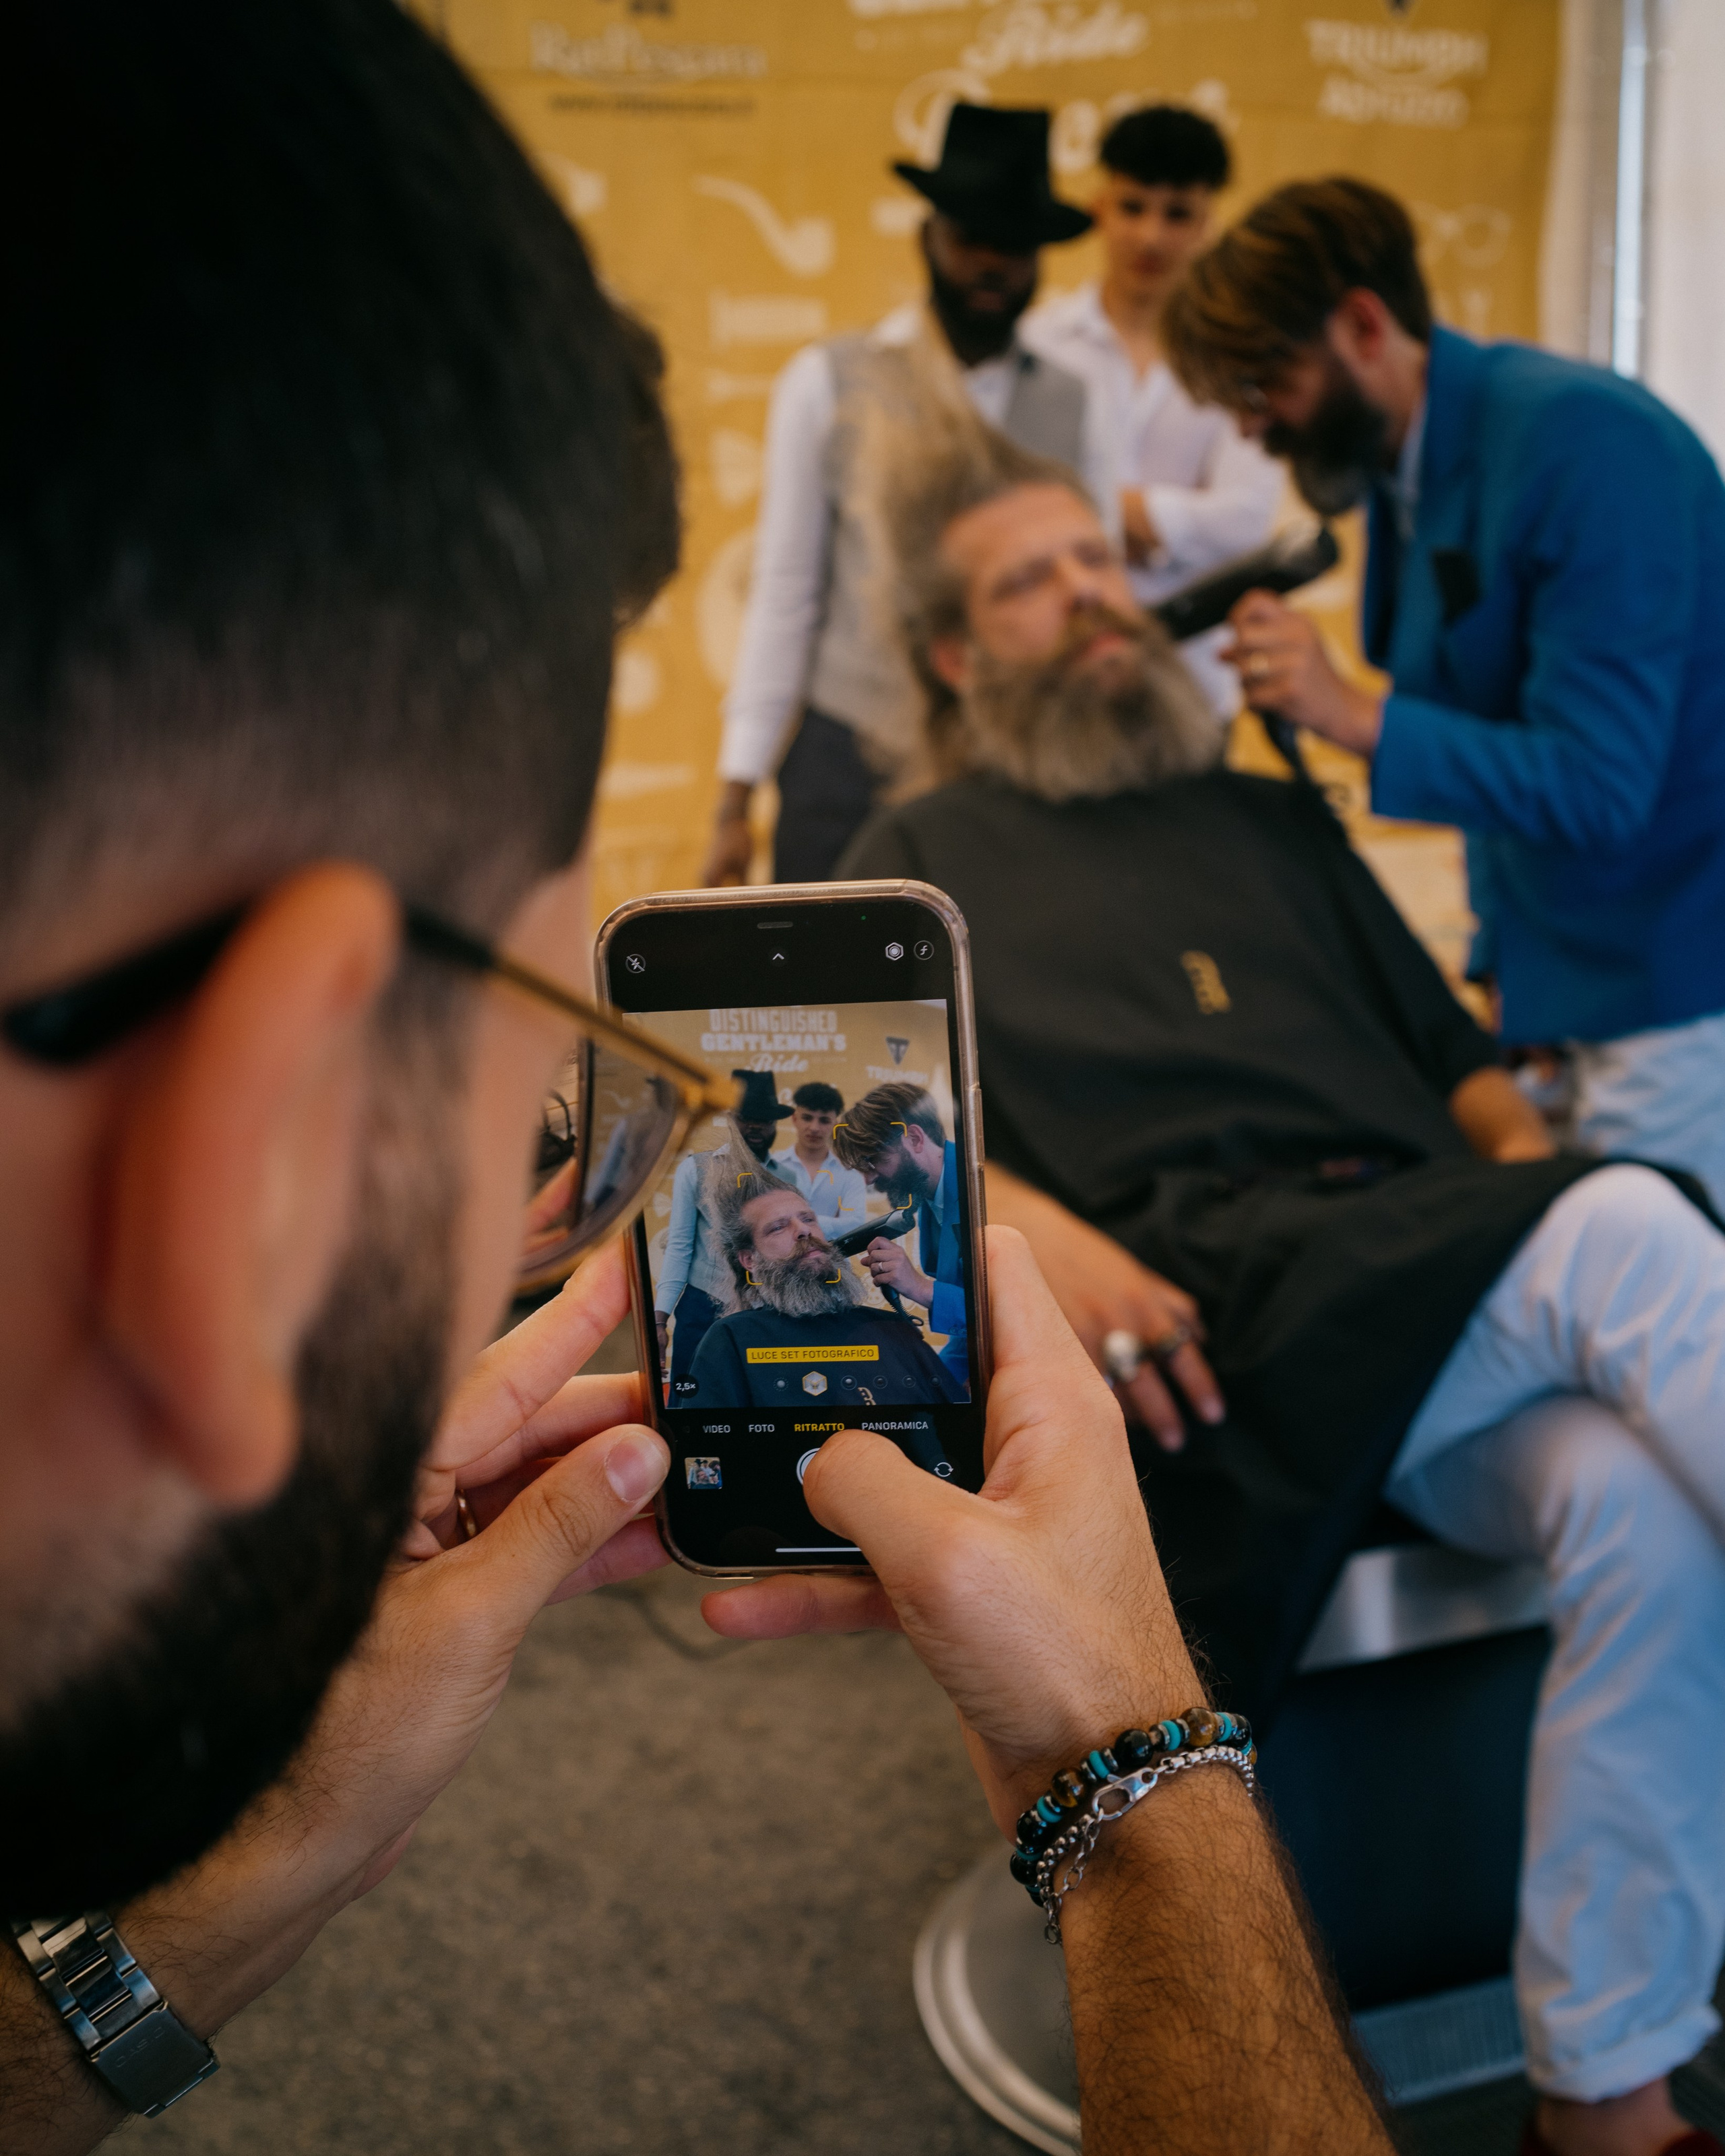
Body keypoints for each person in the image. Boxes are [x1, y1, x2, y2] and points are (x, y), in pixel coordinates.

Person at [0, 9, 1406, 2152]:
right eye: (556, 1124)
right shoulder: (849, 401)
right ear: (253, 1176)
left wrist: (189, 1921)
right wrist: (1133, 1775)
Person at [839, 435, 1725, 2156]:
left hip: (1417, 1269)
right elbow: (873, 1140)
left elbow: (1456, 1059)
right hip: (1212, 1308)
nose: (1087, 595)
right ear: (953, 655)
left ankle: (1604, 2091)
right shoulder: (916, 850)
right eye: (1027, 581)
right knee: (1623, 1230)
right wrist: (1033, 1231)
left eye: (1095, 560)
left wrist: (1513, 1162)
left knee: (1635, 1507)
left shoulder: (1260, 805)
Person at [1162, 177, 1725, 1214]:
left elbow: (1600, 785)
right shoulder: (1409, 468)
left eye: (1264, 384)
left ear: (1363, 326)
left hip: (1676, 992)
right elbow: (1492, 728)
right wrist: (1507, 965)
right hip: (1565, 989)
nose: (1253, 429)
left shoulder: (1587, 445)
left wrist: (1352, 714)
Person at [701, 102, 1092, 888]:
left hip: (1018, 765)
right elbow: (786, 594)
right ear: (927, 237)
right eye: (970, 237)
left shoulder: (1078, 403)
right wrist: (734, 799)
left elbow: (1091, 593)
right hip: (847, 761)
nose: (991, 264)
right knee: (827, 963)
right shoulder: (830, 381)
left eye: (1013, 246)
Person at [1023, 104, 1281, 716]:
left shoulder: (1241, 360)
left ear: (1209, 223)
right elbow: (1013, 509)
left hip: (1193, 684)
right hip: (1052, 681)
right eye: (1133, 207)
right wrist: (1165, 524)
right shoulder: (1037, 345)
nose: (1151, 237)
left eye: (1178, 214)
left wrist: (1091, 516)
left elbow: (1246, 522)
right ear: (1099, 208)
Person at [687, 1168, 964, 1424]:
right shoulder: (732, 1338)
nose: (803, 1230)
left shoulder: (889, 1327)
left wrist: (920, 1288)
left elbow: (954, 1426)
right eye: (779, 1227)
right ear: (749, 1260)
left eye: (808, 1219)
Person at [655, 1069, 791, 1389]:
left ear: (775, 1124)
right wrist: (660, 1319)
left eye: (764, 1120)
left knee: (757, 1398)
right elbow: (679, 1246)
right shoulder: (696, 1169)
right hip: (701, 1307)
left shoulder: (787, 1178)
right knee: (690, 1397)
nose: (755, 1126)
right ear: (731, 1118)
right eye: (746, 1118)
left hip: (766, 1308)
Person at [831, 1080, 969, 1387]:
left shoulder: (978, 1192)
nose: (869, 1180)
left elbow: (1013, 1313)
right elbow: (967, 1340)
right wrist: (936, 1385)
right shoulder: (932, 1199)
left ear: (915, 1138)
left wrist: (920, 1288)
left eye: (875, 1160)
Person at [769, 1079, 867, 1236]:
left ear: (835, 1124)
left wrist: (792, 1222)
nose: (815, 1128)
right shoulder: (773, 1166)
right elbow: (767, 1222)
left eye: (824, 1121)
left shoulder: (850, 1173)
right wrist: (833, 1222)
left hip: (833, 1253)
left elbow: (856, 1226)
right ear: (794, 1119)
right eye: (807, 1118)